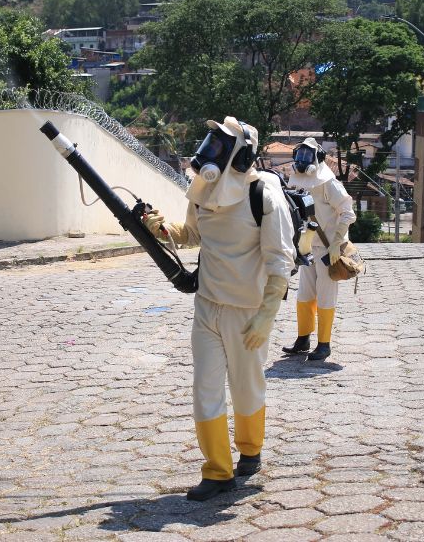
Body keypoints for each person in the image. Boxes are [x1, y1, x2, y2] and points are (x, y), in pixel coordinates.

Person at [143, 116, 295, 501]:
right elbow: (193, 234)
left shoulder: (265, 197)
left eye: (219, 144)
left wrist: (266, 316)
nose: (208, 150)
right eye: (210, 141)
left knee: (246, 388)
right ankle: (217, 471)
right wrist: (162, 228)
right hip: (207, 305)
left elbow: (280, 262)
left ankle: (250, 449)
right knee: (205, 387)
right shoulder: (203, 191)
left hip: (248, 311)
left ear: (241, 156)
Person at [282, 137, 355, 361]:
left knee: (325, 296)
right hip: (307, 248)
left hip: (327, 249)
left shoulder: (329, 183)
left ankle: (324, 344)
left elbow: (348, 212)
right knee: (304, 296)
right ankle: (303, 338)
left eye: (307, 155)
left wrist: (336, 243)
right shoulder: (298, 181)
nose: (302, 160)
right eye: (299, 155)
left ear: (318, 158)